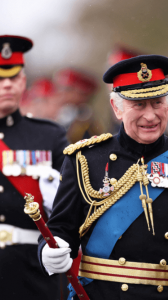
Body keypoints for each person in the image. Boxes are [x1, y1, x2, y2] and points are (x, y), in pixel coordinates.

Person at [38, 54, 168, 300]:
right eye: (138, 105)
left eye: (158, 102)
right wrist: (48, 249)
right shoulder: (84, 160)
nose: (150, 116)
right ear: (116, 108)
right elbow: (61, 229)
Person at [0, 35, 68, 299]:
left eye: (13, 78)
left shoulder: (49, 136)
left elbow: (68, 207)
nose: (7, 85)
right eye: (0, 78)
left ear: (23, 81)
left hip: (33, 273)